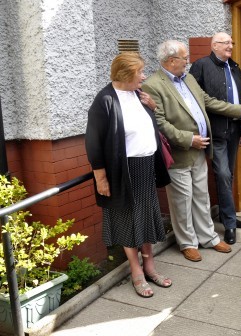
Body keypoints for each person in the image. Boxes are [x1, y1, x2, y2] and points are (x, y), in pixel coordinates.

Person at [142, 40, 241, 262]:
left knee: (202, 197)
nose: (188, 61)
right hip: (180, 153)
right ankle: (187, 242)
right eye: (184, 58)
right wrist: (188, 139)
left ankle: (209, 237)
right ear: (171, 60)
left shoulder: (189, 78)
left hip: (199, 149)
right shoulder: (154, 85)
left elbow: (208, 101)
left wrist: (236, 110)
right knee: (182, 201)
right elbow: (160, 122)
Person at [85, 52, 172, 298]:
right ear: (125, 75)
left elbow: (146, 128)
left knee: (145, 218)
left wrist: (152, 108)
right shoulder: (105, 101)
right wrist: (100, 178)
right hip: (123, 171)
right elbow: (93, 143)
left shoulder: (138, 94)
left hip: (146, 168)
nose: (144, 76)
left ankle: (150, 267)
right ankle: (137, 273)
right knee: (127, 222)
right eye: (140, 73)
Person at [189, 32, 241, 245]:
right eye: (226, 43)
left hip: (233, 130)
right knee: (222, 174)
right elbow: (193, 100)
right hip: (215, 131)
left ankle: (226, 215)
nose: (231, 46)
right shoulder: (201, 66)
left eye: (232, 42)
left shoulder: (234, 67)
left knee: (229, 174)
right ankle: (230, 224)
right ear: (214, 45)